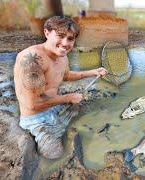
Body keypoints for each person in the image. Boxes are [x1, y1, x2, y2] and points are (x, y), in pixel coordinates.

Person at [14, 16, 107, 159]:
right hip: (36, 120)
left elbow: (66, 75)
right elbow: (32, 104)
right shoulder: (32, 60)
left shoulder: (62, 56)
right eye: (61, 36)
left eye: (70, 39)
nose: (65, 43)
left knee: (91, 111)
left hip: (54, 108)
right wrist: (68, 98)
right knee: (56, 155)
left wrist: (93, 72)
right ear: (47, 33)